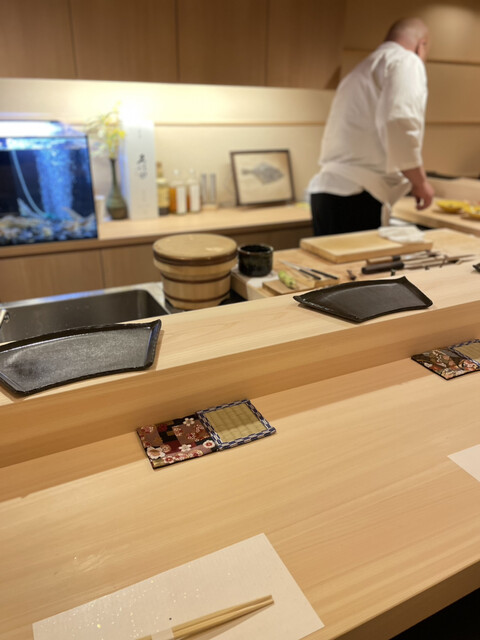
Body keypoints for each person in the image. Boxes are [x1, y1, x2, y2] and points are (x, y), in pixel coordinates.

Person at [308, 17, 434, 236]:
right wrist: (420, 183)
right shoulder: (406, 61)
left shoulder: (362, 68)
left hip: (327, 193)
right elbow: (399, 121)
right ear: (421, 46)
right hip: (358, 195)